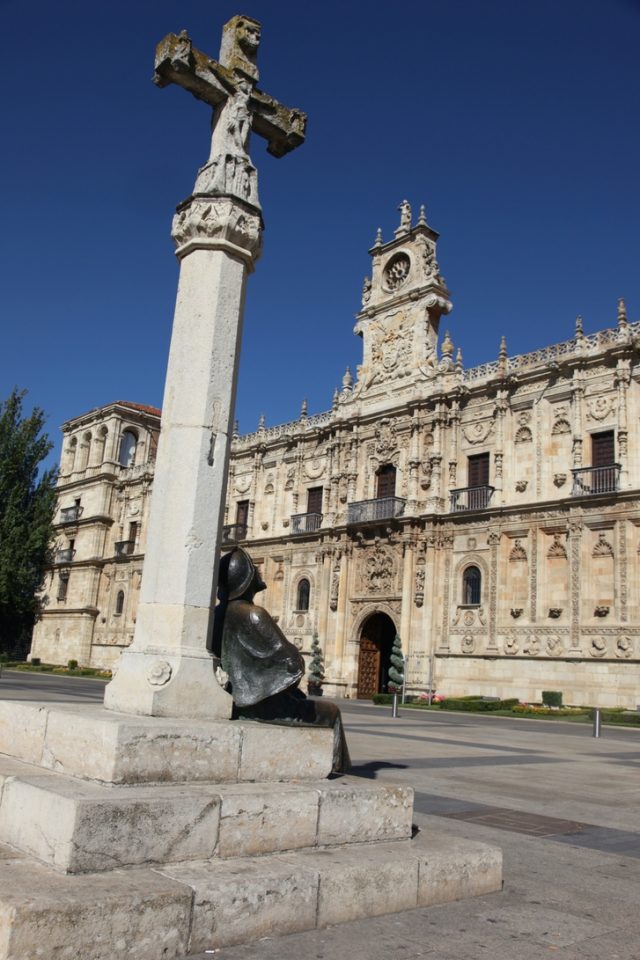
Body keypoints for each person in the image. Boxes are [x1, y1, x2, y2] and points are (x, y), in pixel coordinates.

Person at [212, 547, 350, 773]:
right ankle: (335, 771)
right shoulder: (253, 613)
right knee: (331, 712)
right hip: (260, 707)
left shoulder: (215, 615)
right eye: (254, 569)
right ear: (246, 578)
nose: (258, 572)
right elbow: (293, 666)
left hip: (233, 701)